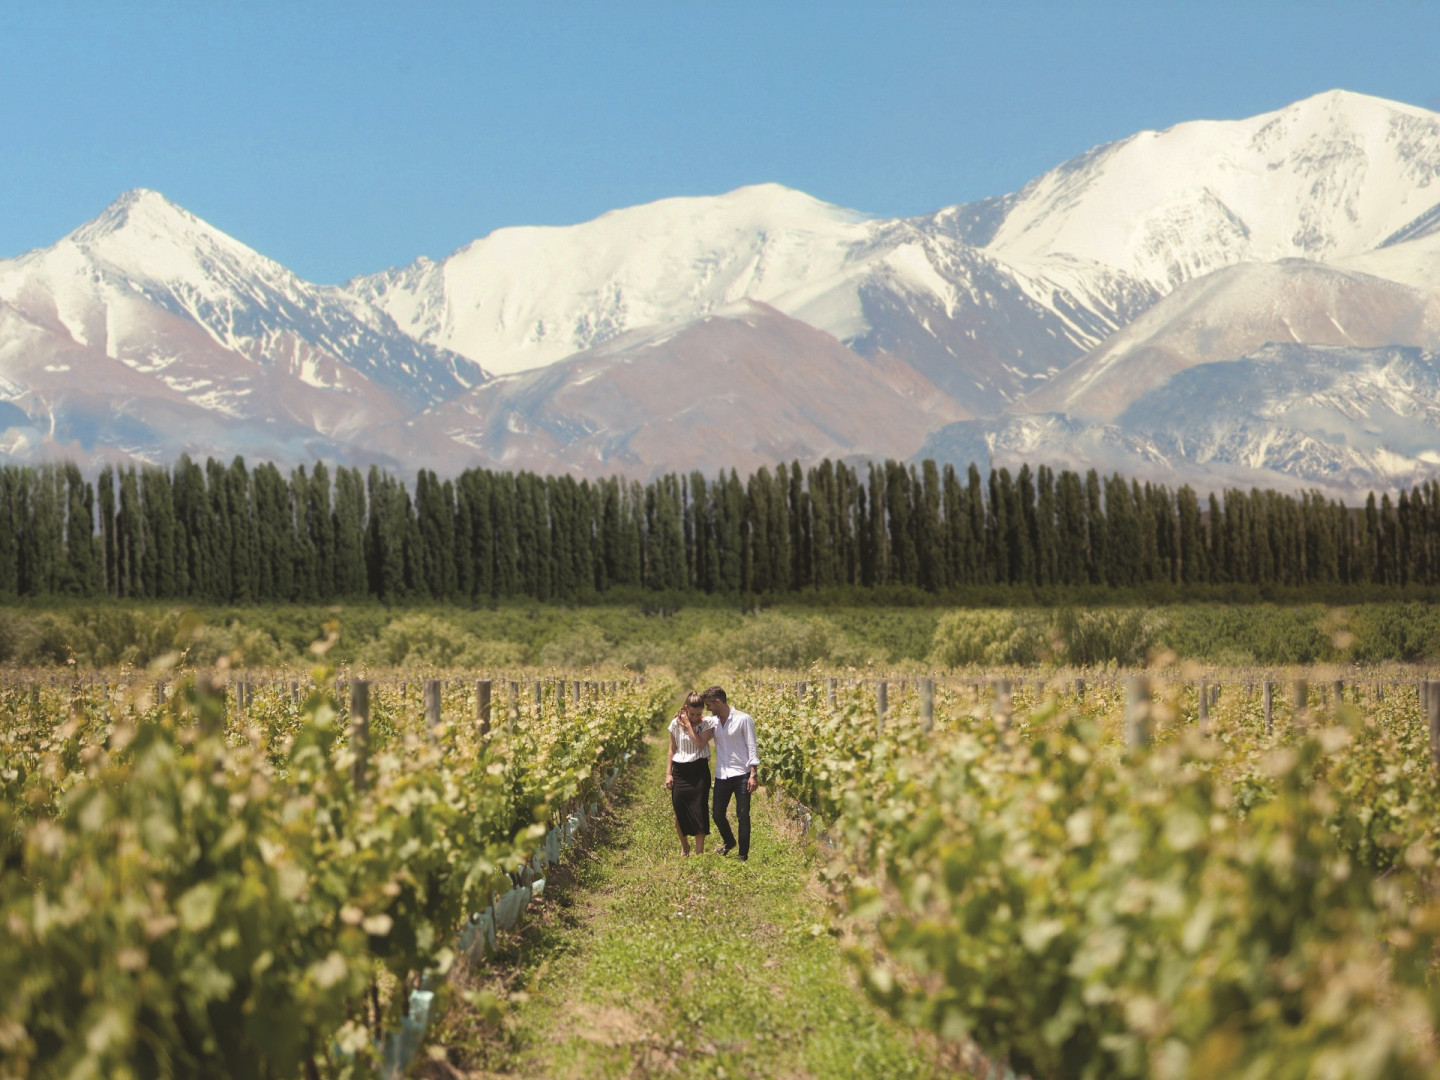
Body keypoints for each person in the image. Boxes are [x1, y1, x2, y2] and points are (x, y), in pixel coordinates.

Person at [702, 685, 758, 861]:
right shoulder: (714, 722)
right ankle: (729, 841)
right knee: (717, 813)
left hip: (742, 773)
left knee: (743, 815)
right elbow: (701, 738)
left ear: (718, 702)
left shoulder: (743, 719)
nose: (708, 709)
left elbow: (752, 746)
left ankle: (743, 855)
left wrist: (753, 774)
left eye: (709, 705)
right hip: (722, 774)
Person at [664, 691, 716, 856]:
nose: (695, 717)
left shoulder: (707, 723)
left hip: (699, 771)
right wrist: (668, 773)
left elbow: (700, 744)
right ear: (686, 708)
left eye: (698, 713)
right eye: (692, 714)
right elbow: (672, 750)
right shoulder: (675, 724)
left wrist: (688, 725)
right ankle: (685, 846)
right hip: (680, 771)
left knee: (700, 809)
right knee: (679, 810)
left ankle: (699, 852)